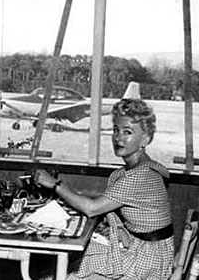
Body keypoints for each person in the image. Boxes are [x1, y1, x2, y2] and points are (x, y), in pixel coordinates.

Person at [35, 98, 174, 280]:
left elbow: (92, 208)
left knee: (62, 271)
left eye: (127, 132)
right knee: (67, 260)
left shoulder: (140, 175)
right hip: (141, 247)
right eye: (116, 130)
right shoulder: (135, 170)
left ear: (145, 139)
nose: (118, 137)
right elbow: (110, 201)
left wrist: (55, 184)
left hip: (147, 261)